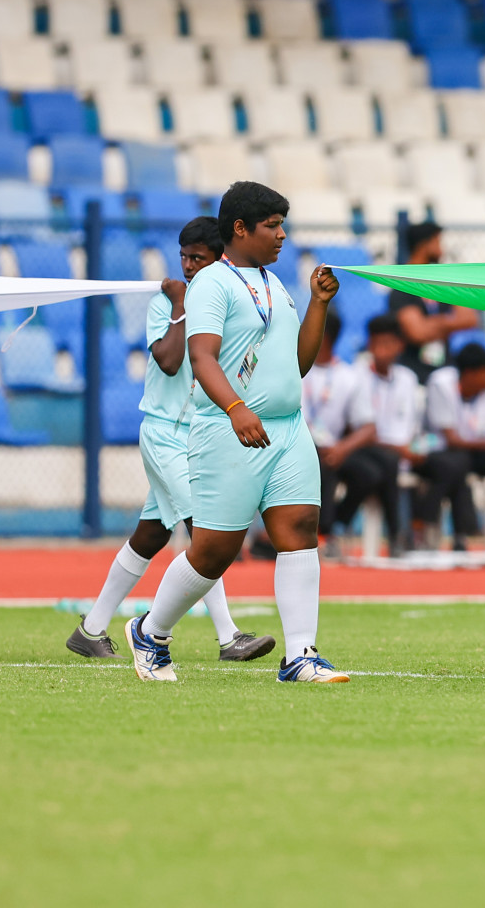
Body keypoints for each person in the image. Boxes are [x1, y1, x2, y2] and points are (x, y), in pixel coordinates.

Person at [123, 182, 348, 683]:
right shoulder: (212, 284)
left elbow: (299, 364)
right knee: (214, 551)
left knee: (298, 533)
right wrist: (235, 408)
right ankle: (150, 632)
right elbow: (200, 356)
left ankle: (301, 656)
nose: (282, 235)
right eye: (272, 225)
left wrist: (317, 304)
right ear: (240, 229)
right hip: (229, 429)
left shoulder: (274, 284)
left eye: (282, 225)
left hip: (288, 429)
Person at [66, 218, 273, 663]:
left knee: (151, 534)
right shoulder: (167, 302)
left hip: (197, 434)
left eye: (197, 257)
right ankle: (228, 637)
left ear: (219, 257)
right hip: (162, 432)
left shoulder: (219, 299)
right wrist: (180, 305)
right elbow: (168, 358)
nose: (187, 265)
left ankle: (91, 629)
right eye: (183, 256)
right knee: (206, 531)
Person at [416, 342, 485, 552]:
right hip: (440, 452)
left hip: (478, 454)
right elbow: (450, 439)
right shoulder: (441, 385)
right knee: (457, 463)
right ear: (469, 373)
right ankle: (461, 536)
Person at [301, 308, 388, 546]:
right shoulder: (294, 368)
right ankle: (322, 533)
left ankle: (335, 525)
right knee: (321, 464)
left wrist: (342, 448)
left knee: (369, 473)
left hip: (333, 448)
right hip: (300, 445)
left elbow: (369, 427)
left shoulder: (348, 376)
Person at [347, 314, 424, 552]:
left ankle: (419, 532)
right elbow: (358, 430)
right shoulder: (356, 375)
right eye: (377, 344)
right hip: (366, 450)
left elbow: (413, 425)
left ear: (400, 346)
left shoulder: (408, 379)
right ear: (369, 345)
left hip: (402, 451)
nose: (382, 351)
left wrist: (413, 448)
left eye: (388, 344)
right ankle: (396, 535)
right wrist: (399, 449)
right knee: (388, 463)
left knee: (442, 464)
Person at [388, 220, 480, 383]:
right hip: (413, 374)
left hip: (445, 372)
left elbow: (470, 319)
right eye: (438, 242)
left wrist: (429, 324)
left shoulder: (443, 284)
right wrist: (450, 322)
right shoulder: (401, 287)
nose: (442, 249)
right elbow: (416, 333)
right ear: (425, 244)